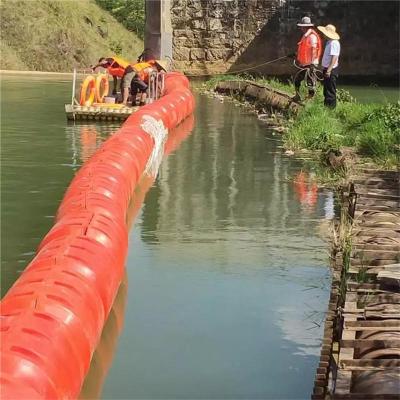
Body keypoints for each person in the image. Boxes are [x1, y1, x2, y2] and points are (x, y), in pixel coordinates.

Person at [293, 16, 322, 102]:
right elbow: (304, 49)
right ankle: (298, 96)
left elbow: (313, 49)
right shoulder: (306, 36)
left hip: (310, 64)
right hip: (304, 63)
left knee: (310, 82)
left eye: (302, 26)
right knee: (297, 80)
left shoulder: (312, 36)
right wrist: (295, 54)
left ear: (306, 27)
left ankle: (310, 99)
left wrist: (312, 64)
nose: (301, 28)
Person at [317, 24, 341, 108]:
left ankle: (330, 109)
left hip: (331, 70)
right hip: (327, 69)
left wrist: (329, 70)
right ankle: (326, 107)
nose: (323, 34)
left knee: (330, 91)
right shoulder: (329, 42)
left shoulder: (334, 43)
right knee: (326, 90)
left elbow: (334, 57)